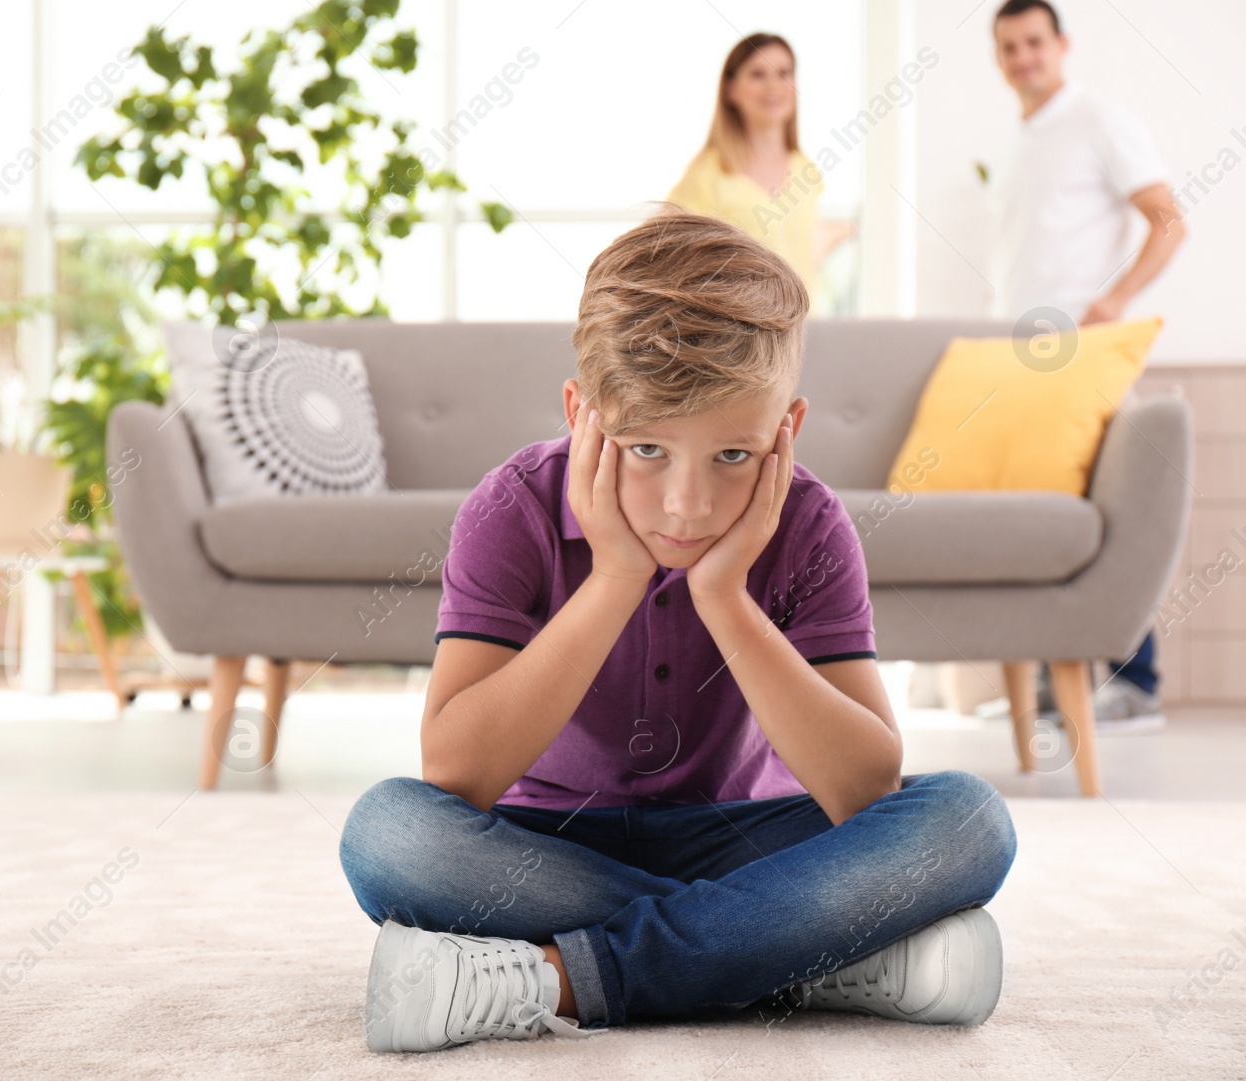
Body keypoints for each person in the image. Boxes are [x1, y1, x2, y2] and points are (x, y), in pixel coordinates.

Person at [339, 209, 1018, 1053]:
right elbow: (458, 770)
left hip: (747, 834)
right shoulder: (512, 507)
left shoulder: (808, 523)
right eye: (647, 449)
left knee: (967, 819)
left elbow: (863, 787)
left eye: (733, 456)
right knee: (391, 834)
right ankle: (797, 957)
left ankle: (562, 976)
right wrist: (618, 576)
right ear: (581, 415)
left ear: (786, 429)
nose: (687, 505)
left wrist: (726, 595)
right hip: (550, 843)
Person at [987, 0, 1187, 731]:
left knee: (1114, 509)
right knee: (1045, 516)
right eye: (1008, 47)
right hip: (1021, 357)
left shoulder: (1099, 121)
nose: (1023, 58)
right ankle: (1050, 684)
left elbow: (1169, 218)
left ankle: (1136, 683)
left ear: (1062, 45)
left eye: (1034, 42)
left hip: (1082, 353)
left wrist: (1115, 299)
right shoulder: (1019, 144)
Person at [665, 33, 854, 308]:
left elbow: (800, 248)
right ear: (731, 90)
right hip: (739, 335)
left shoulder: (807, 169)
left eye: (783, 73)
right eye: (757, 74)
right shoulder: (709, 171)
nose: (773, 86)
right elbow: (670, 251)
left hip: (804, 331)